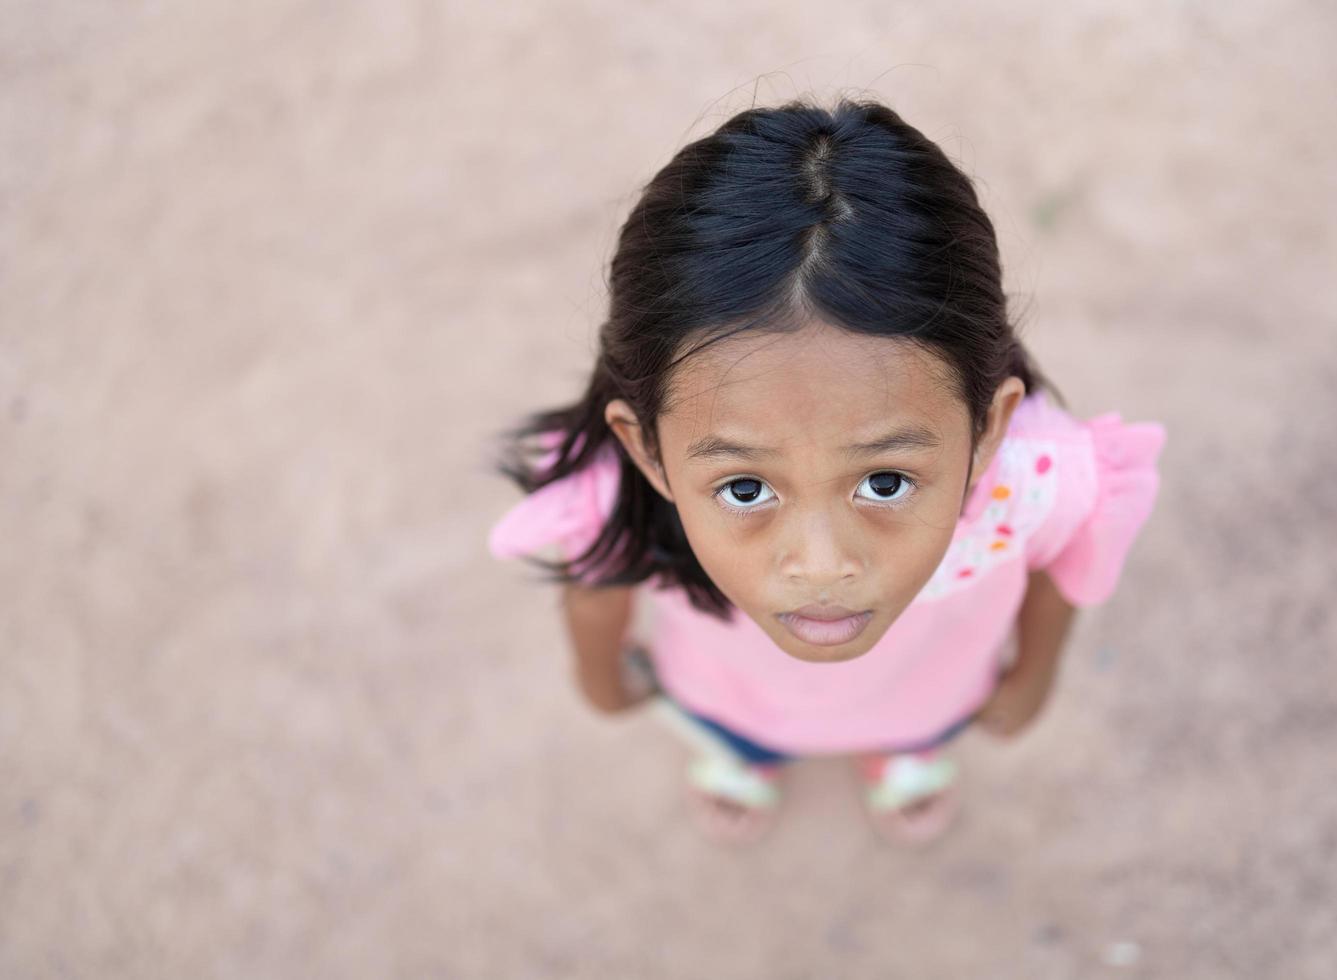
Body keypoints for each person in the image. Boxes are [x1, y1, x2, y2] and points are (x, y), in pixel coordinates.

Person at [486, 97, 1165, 847]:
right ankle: (745, 758)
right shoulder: (615, 493)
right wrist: (601, 678)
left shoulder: (1040, 478)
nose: (822, 565)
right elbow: (595, 591)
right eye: (746, 489)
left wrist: (1034, 672)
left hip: (930, 693)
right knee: (734, 737)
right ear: (648, 450)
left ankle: (904, 753)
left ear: (986, 430)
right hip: (730, 697)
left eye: (885, 481)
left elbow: (1060, 565)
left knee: (919, 727)